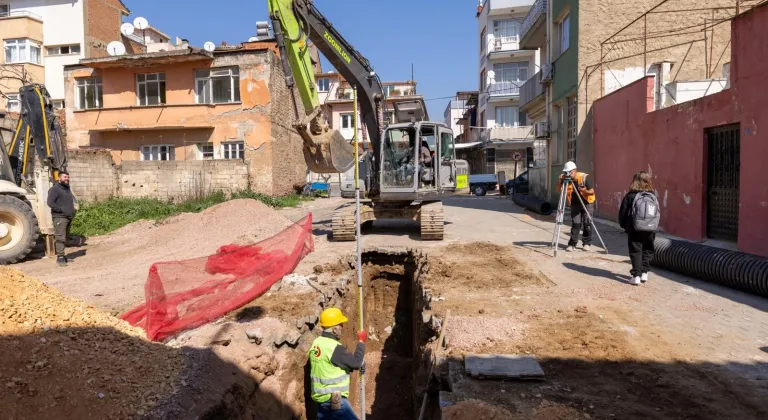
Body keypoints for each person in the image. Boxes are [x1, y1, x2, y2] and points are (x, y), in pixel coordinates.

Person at [309, 307, 367, 420]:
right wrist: (361, 342)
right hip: (333, 401)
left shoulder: (316, 343)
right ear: (334, 329)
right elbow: (356, 363)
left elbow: (327, 365)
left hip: (320, 400)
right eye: (340, 325)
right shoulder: (334, 348)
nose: (342, 327)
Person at [619, 171, 658, 286]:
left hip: (634, 228)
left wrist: (624, 226)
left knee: (636, 251)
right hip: (650, 228)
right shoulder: (652, 195)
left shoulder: (630, 196)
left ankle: (636, 276)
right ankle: (645, 273)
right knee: (648, 249)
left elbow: (623, 213)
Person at [557, 161, 596, 252]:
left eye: (570, 172)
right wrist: (560, 181)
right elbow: (558, 189)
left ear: (574, 171)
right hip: (574, 203)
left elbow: (592, 192)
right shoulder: (565, 179)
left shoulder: (584, 177)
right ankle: (572, 244)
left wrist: (584, 191)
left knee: (587, 223)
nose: (568, 174)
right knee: (576, 224)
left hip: (587, 203)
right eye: (566, 172)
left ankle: (586, 243)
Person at [47, 171, 77, 266]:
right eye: (65, 177)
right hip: (60, 217)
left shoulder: (66, 188)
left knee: (65, 237)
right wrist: (61, 210)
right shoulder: (54, 189)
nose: (67, 178)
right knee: (60, 237)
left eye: (68, 177)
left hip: (68, 217)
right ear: (59, 178)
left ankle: (63, 256)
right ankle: (60, 257)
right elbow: (50, 203)